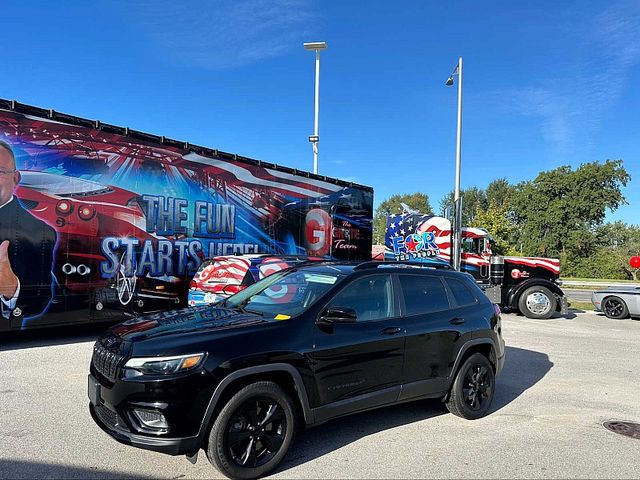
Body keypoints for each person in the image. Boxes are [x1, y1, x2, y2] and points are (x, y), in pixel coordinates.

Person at [0, 140, 57, 327]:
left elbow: (39, 299)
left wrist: (10, 288)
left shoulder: (39, 231)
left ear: (15, 179)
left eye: (0, 172)